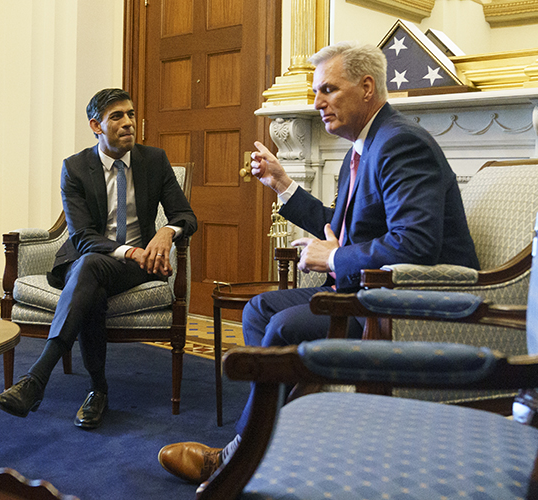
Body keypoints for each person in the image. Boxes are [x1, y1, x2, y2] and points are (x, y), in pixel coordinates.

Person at [157, 41, 480, 484]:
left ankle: (240, 457)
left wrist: (337, 257)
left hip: (407, 305)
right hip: (365, 292)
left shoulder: (401, 144)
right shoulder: (361, 148)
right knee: (260, 309)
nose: (317, 102)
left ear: (367, 87)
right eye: (315, 92)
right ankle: (281, 439)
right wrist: (284, 185)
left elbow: (417, 244)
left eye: (328, 89)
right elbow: (344, 227)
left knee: (284, 327)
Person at [0, 88, 197, 429]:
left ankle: (37, 379)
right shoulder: (75, 168)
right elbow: (83, 236)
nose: (128, 122)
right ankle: (97, 390)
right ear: (96, 126)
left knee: (92, 272)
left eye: (131, 114)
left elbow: (186, 216)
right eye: (117, 116)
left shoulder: (154, 161)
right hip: (87, 258)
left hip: (134, 268)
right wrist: (130, 249)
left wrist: (167, 232)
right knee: (92, 278)